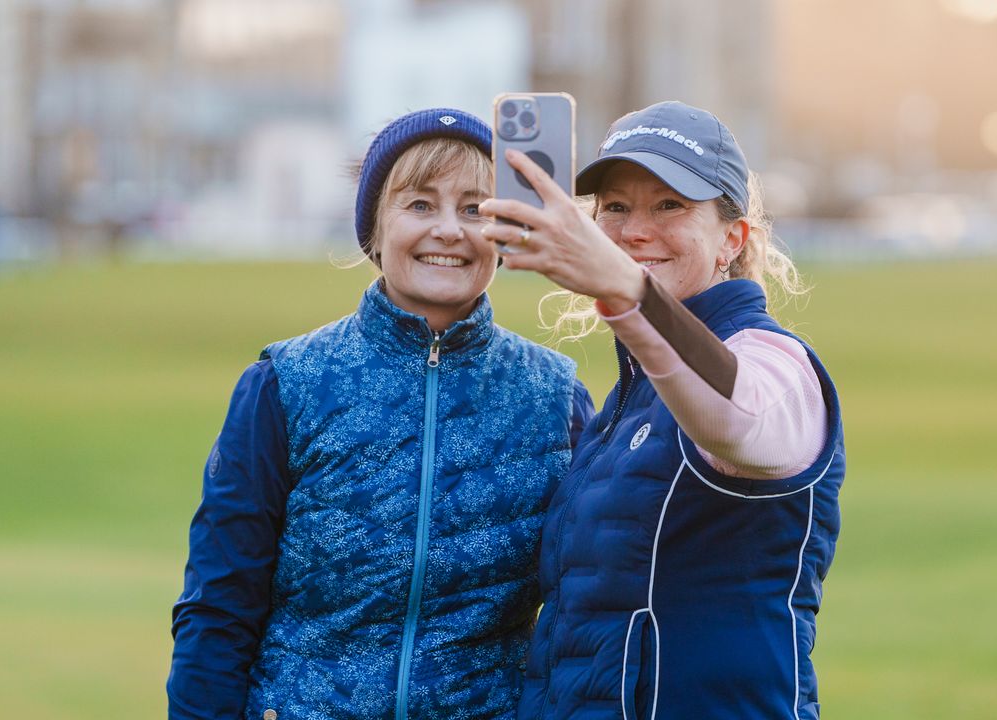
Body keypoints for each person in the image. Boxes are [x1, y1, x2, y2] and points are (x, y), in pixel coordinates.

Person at [167, 108, 593, 720]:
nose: (449, 230)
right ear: (374, 227)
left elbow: (585, 614)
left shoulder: (556, 397)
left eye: (474, 209)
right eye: (419, 204)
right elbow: (219, 607)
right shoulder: (284, 385)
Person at [479, 100, 846, 720]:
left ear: (733, 238)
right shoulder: (626, 398)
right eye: (615, 208)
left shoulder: (773, 360)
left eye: (670, 205)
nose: (634, 230)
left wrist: (627, 291)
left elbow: (741, 423)